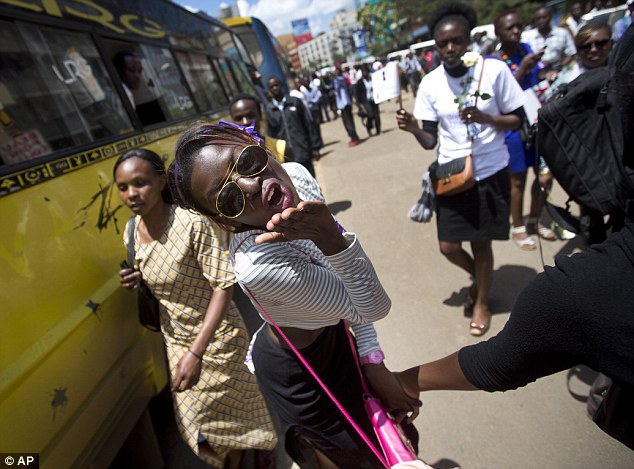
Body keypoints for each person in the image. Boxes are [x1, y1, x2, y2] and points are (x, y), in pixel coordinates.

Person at [168, 121, 421, 468]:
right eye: (228, 198)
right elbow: (370, 305)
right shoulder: (259, 265)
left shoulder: (296, 176)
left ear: (259, 144)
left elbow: (354, 303)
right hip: (298, 371)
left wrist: (372, 358)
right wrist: (331, 237)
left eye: (246, 161)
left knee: (386, 429)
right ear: (226, 221)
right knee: (352, 455)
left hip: (335, 332)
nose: (249, 185)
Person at [113, 148, 277, 468]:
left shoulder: (191, 224)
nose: (131, 194)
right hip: (176, 340)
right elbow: (155, 278)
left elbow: (223, 285)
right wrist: (136, 279)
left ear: (161, 182)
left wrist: (197, 352)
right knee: (196, 428)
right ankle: (243, 455)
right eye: (123, 187)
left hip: (218, 337)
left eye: (140, 183)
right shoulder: (131, 231)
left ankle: (249, 454)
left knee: (235, 411)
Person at [396, 2, 526, 337]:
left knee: (482, 244)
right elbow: (429, 141)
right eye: (443, 43)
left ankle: (482, 301)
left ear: (468, 39)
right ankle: (479, 278)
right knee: (449, 246)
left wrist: (487, 118)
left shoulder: (493, 70)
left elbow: (517, 118)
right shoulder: (430, 83)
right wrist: (412, 127)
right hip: (452, 173)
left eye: (457, 40)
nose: (450, 48)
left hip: (489, 171)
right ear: (435, 46)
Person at [492, 9, 557, 250]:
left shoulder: (527, 49)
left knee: (545, 176)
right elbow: (500, 97)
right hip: (514, 130)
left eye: (519, 26)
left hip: (538, 124)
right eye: (510, 28)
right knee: (517, 180)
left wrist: (544, 73)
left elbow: (536, 76)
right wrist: (522, 70)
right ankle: (518, 226)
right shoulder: (495, 62)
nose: (516, 31)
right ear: (498, 32)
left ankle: (535, 217)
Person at [265, 76, 321, 177]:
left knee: (311, 181)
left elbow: (308, 124)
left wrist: (315, 147)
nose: (275, 88)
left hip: (303, 151)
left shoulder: (295, 102)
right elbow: (271, 135)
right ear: (269, 90)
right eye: (272, 87)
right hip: (285, 157)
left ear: (281, 85)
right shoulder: (269, 110)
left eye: (276, 85)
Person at [229, 92, 293, 164]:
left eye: (250, 115)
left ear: (260, 115)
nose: (245, 122)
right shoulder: (230, 156)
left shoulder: (281, 148)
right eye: (239, 118)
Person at [112, 50, 166, 126]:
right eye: (132, 70)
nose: (137, 76)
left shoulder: (128, 94)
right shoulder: (117, 95)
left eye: (139, 71)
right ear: (118, 71)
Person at [521, 6, 577, 75]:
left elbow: (571, 53)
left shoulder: (562, 33)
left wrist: (560, 65)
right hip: (537, 75)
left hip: (560, 72)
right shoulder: (527, 37)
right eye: (538, 19)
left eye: (544, 18)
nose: (541, 21)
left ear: (550, 17)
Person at [334, 67, 361, 147]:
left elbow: (338, 90)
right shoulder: (343, 78)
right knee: (348, 121)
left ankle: (353, 137)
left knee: (348, 122)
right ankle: (354, 136)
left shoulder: (339, 80)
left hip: (343, 103)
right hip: (345, 102)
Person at [355, 64, 381, 137]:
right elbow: (357, 94)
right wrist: (359, 104)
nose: (365, 73)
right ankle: (369, 127)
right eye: (363, 71)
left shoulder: (373, 79)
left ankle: (378, 130)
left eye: (366, 71)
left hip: (374, 99)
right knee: (370, 114)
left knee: (377, 115)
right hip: (365, 101)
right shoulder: (360, 82)